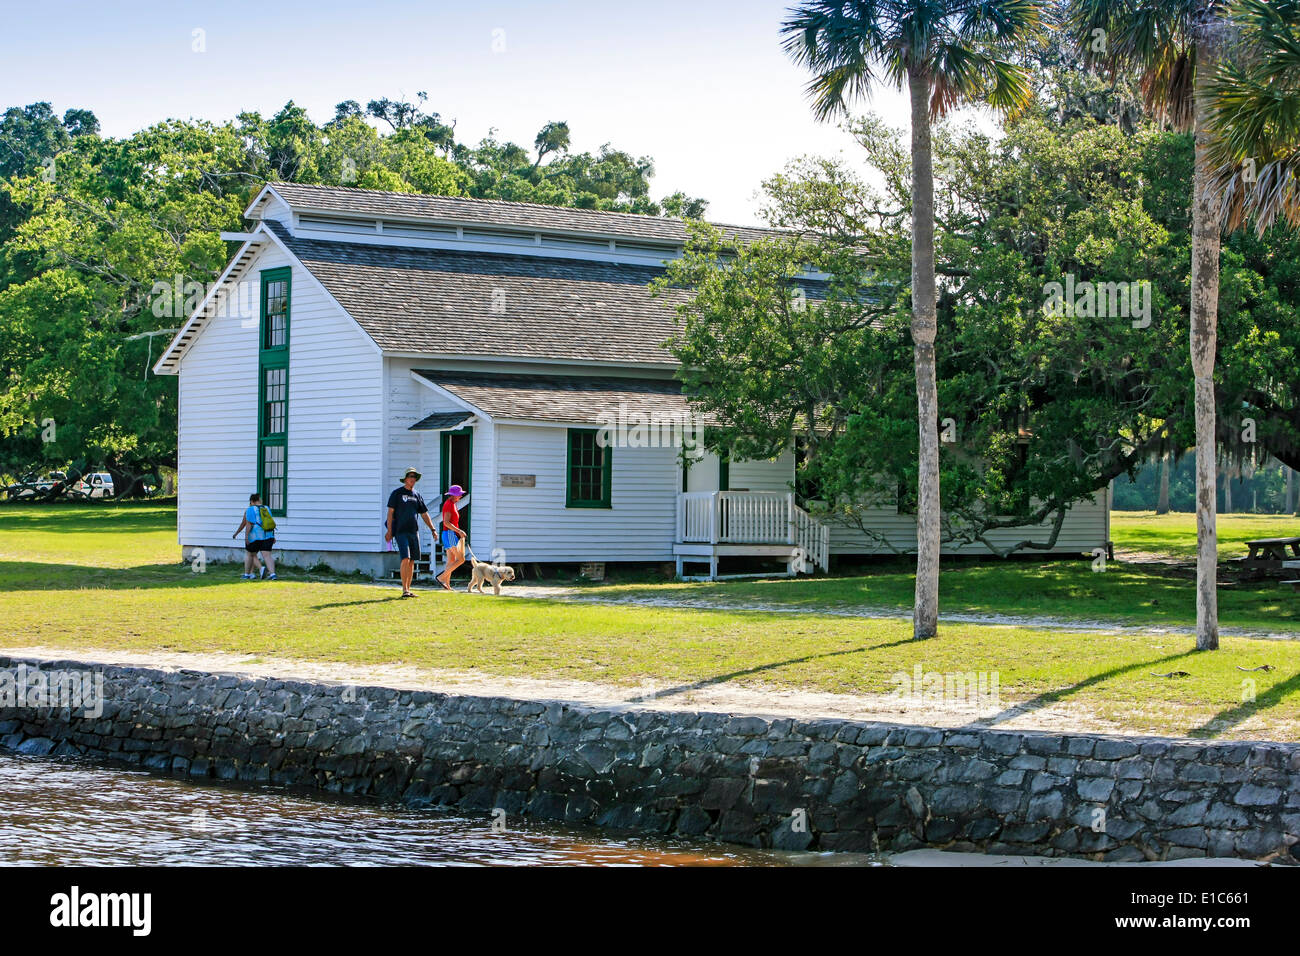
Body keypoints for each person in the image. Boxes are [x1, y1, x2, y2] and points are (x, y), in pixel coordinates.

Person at [386, 467, 437, 598]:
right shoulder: (397, 493)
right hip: (400, 531)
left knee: (412, 560)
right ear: (405, 479)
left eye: (414, 477)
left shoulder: (417, 495)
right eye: (410, 477)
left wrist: (433, 529)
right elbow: (390, 513)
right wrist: (389, 531)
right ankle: (404, 590)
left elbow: (424, 514)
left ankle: (408, 589)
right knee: (405, 558)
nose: (412, 479)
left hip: (413, 531)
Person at [233, 493, 277, 580]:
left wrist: (246, 536)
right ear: (259, 500)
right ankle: (273, 575)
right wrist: (273, 536)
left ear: (252, 501)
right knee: (267, 555)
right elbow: (270, 523)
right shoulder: (266, 508)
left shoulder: (250, 509)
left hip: (255, 536)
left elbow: (248, 524)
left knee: (250, 554)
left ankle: (247, 574)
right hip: (268, 535)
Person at [436, 484, 468, 591]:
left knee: (451, 560)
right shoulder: (449, 505)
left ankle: (447, 585)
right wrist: (459, 531)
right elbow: (446, 522)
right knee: (461, 559)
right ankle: (441, 578)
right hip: (449, 533)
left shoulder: (452, 504)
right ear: (453, 495)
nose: (461, 497)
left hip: (448, 534)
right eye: (459, 495)